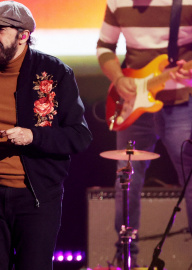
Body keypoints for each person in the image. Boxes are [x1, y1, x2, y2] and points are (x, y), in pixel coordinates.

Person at [0, 1, 93, 269]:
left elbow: (80, 135)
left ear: (24, 36)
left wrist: (33, 137)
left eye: (0, 29)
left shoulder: (55, 73)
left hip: (36, 199)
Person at [96, 0, 192, 267]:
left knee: (189, 179)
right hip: (133, 104)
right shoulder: (117, 2)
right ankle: (127, 257)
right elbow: (105, 46)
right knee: (126, 180)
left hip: (180, 100)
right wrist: (118, 78)